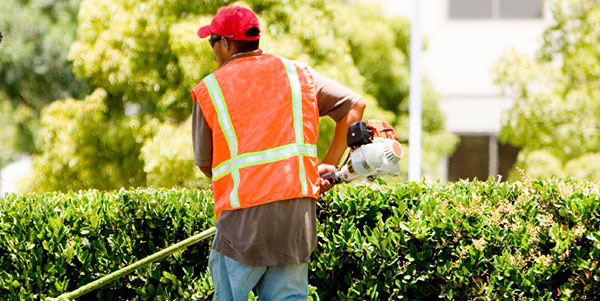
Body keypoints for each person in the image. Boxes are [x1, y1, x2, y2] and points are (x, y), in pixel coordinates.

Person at [192, 5, 366, 300]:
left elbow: (204, 162)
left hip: (242, 224)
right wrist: (327, 166)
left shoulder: (210, 89)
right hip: (295, 219)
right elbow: (354, 106)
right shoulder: (298, 73)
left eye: (213, 42)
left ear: (225, 44)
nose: (213, 50)